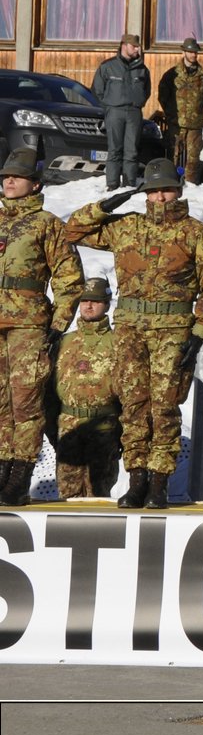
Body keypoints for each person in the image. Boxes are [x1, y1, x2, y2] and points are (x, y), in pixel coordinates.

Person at [66, 158, 203, 510]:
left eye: (166, 190)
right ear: (145, 195)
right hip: (131, 329)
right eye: (153, 191)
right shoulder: (126, 227)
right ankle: (136, 479)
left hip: (174, 330)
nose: (160, 197)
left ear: (178, 191)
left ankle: (159, 483)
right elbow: (73, 230)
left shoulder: (197, 234)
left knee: (164, 408)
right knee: (133, 407)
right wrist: (105, 206)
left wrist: (199, 332)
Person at [0, 148, 84, 505]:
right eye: (6, 177)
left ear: (35, 185)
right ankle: (2, 471)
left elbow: (69, 280)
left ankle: (20, 476)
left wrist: (58, 324)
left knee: (26, 403)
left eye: (17, 177)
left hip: (28, 326)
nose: (9, 181)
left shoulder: (47, 224)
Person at [52, 277, 120, 500]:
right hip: (69, 428)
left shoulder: (118, 342)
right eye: (85, 301)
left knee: (98, 494)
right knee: (67, 494)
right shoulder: (64, 342)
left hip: (103, 430)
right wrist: (54, 431)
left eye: (96, 301)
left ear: (107, 304)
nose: (89, 306)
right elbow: (49, 393)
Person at [91, 33, 151, 190]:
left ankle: (130, 184)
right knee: (114, 150)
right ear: (124, 45)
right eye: (134, 46)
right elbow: (97, 90)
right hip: (114, 112)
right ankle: (112, 184)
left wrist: (139, 103)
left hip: (134, 112)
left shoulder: (142, 69)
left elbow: (147, 91)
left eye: (138, 46)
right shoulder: (108, 66)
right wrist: (109, 106)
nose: (137, 48)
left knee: (131, 151)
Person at [158, 36, 203, 185]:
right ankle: (172, 182)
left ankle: (191, 184)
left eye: (195, 52)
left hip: (195, 124)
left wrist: (198, 112)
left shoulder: (202, 77)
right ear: (184, 52)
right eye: (191, 51)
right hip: (177, 123)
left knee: (193, 156)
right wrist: (171, 113)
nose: (194, 55)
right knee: (174, 153)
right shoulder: (172, 75)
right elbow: (163, 96)